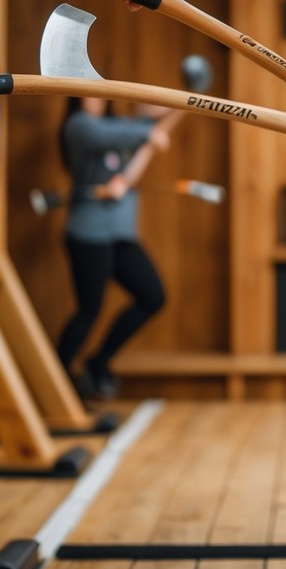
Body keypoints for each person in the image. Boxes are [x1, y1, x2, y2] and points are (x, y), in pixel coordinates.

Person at [56, 96, 181, 400]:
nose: (95, 98)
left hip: (120, 237)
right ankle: (55, 381)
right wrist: (147, 132)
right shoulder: (78, 127)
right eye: (87, 92)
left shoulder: (121, 127)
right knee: (89, 311)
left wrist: (181, 103)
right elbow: (118, 134)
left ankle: (97, 364)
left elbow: (149, 128)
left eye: (99, 92)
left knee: (153, 296)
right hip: (88, 234)